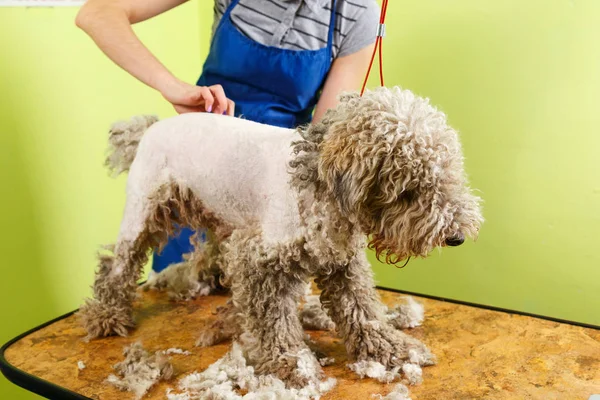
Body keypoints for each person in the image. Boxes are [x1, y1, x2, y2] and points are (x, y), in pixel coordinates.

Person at [76, 0, 380, 273]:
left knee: (257, 307)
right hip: (195, 179)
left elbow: (322, 145)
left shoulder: (355, 13)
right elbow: (97, 14)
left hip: (273, 197)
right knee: (180, 307)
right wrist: (169, 85)